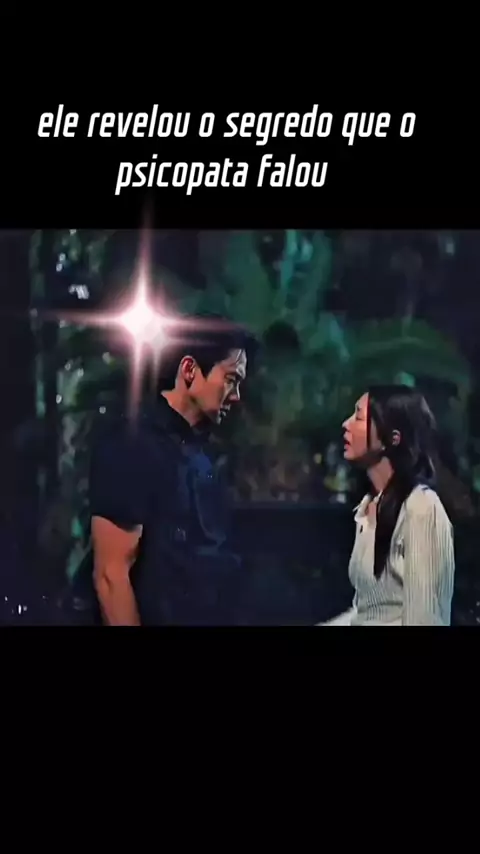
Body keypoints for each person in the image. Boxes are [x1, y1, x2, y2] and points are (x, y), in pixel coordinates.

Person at [88, 315, 257, 626]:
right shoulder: (132, 443)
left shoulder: (201, 452)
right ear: (190, 370)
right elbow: (111, 576)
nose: (236, 395)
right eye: (231, 379)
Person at [322, 385, 456, 626]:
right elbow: (368, 612)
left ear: (392, 438)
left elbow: (424, 619)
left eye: (359, 417)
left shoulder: (421, 509)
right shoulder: (367, 509)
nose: (346, 423)